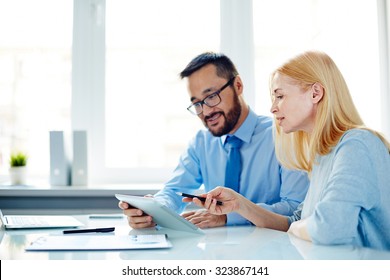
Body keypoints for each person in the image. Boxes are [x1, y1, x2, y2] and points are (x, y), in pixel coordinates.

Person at [190, 50, 390, 250]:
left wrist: (295, 228)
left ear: (315, 93)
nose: (273, 108)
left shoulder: (358, 145)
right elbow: (295, 221)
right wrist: (240, 205)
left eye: (280, 96)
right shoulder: (323, 156)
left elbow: (327, 228)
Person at [119, 52, 309, 229]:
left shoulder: (285, 135)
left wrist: (229, 216)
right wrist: (153, 210)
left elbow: (294, 208)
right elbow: (174, 191)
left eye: (211, 97)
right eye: (197, 104)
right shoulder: (202, 143)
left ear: (238, 86)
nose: (207, 111)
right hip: (216, 251)